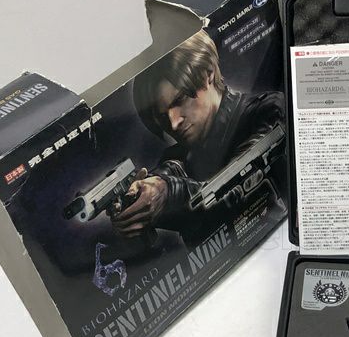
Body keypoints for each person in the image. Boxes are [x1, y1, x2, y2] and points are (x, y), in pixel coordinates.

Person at [110, 29, 284, 240]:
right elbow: (167, 176)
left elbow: (240, 181)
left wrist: (167, 192)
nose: (173, 124)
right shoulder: (176, 158)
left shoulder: (267, 110)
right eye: (162, 116)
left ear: (207, 72)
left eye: (180, 100)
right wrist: (138, 203)